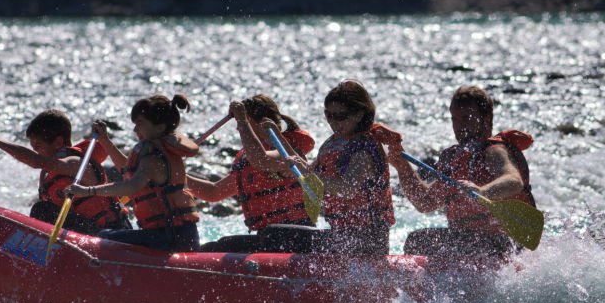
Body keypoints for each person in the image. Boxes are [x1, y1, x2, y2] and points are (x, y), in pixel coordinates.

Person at [390, 85, 536, 259]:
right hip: (470, 245)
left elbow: (513, 180)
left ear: (486, 118)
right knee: (418, 240)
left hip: (505, 245)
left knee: (418, 241)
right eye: (455, 119)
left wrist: (482, 191)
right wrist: (402, 167)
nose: (459, 126)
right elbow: (425, 202)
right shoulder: (456, 160)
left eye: (467, 118)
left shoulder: (495, 151)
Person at [65, 95, 201, 252]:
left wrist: (88, 191)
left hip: (172, 239)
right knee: (109, 235)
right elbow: (126, 170)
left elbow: (131, 186)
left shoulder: (153, 158)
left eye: (140, 123)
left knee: (103, 237)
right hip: (172, 235)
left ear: (160, 127)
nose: (135, 129)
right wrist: (105, 141)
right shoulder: (158, 150)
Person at [0, 110, 129, 235]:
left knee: (41, 210)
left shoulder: (75, 163)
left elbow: (36, 162)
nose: (36, 152)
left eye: (38, 147)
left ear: (58, 142)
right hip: (88, 231)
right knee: (43, 209)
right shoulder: (55, 171)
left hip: (110, 233)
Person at [186, 96, 316, 253]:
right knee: (213, 247)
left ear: (258, 123)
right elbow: (214, 192)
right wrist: (177, 173)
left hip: (297, 235)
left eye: (244, 124)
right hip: (270, 236)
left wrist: (242, 120)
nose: (238, 130)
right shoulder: (249, 164)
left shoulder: (288, 149)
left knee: (222, 246)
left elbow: (261, 160)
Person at [294, 80, 400, 255]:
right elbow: (312, 177)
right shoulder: (332, 144)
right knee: (283, 235)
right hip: (340, 232)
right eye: (329, 115)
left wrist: (307, 173)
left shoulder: (364, 149)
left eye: (340, 116)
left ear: (359, 114)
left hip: (369, 239)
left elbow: (347, 189)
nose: (334, 122)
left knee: (296, 241)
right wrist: (294, 166)